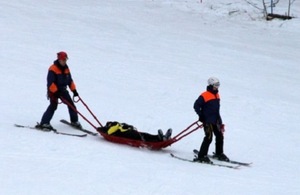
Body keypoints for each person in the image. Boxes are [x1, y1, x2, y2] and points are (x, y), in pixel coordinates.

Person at [36, 51, 81, 130]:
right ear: (59, 60)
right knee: (53, 106)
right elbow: (50, 83)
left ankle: (74, 121)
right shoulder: (52, 69)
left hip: (63, 90)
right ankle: (44, 123)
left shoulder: (66, 68)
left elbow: (70, 80)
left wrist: (74, 91)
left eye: (65, 60)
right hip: (53, 91)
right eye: (63, 60)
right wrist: (56, 92)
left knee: (71, 105)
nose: (65, 61)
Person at [193, 77, 229, 163]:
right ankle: (201, 156)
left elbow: (216, 110)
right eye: (216, 85)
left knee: (220, 136)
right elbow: (196, 106)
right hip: (207, 120)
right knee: (208, 138)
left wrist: (220, 121)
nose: (217, 87)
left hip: (215, 120)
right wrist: (201, 116)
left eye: (218, 85)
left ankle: (219, 153)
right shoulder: (204, 95)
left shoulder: (217, 95)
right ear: (211, 85)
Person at [97, 121, 172, 142]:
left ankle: (160, 137)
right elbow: (109, 132)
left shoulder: (117, 125)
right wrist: (117, 125)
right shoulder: (109, 129)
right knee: (142, 137)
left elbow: (128, 126)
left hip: (130, 132)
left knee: (144, 134)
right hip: (126, 135)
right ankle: (159, 139)